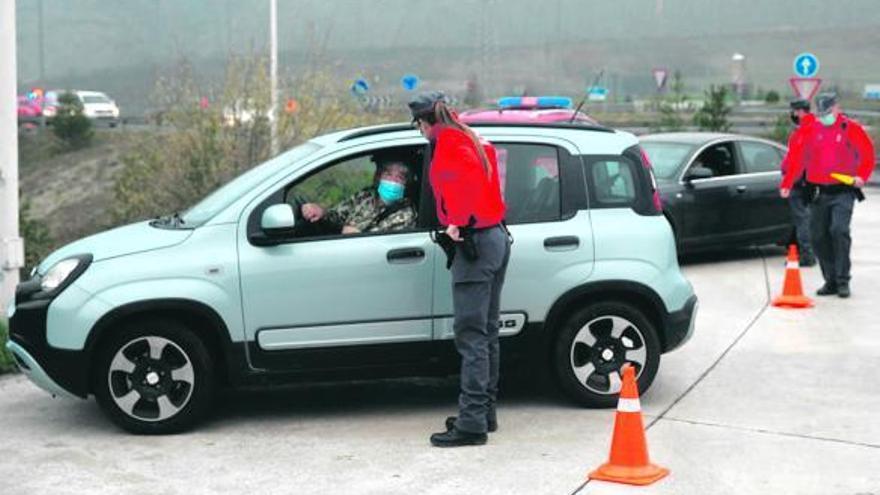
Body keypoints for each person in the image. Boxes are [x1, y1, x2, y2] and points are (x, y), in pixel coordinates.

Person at [409, 91, 510, 448]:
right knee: (487, 333)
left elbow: (464, 181)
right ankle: (484, 413)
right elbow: (488, 173)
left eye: (419, 126)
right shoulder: (470, 135)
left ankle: (471, 424)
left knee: (471, 337)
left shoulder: (450, 143)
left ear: (424, 122)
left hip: (476, 244)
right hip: (495, 237)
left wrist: (457, 223)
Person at [781, 93, 875, 298]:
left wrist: (862, 176)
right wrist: (788, 182)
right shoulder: (812, 130)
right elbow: (799, 157)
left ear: (836, 108)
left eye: (828, 112)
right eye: (821, 113)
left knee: (838, 230)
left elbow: (867, 154)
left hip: (843, 192)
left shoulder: (850, 128)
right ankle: (830, 280)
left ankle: (843, 280)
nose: (825, 117)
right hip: (818, 192)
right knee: (818, 236)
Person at [300, 161, 417, 234]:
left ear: (406, 184)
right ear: (379, 177)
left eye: (400, 177)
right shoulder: (365, 196)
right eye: (388, 174)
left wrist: (355, 235)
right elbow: (337, 215)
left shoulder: (406, 214)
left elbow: (378, 244)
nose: (393, 181)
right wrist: (321, 212)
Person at [779, 98, 817, 267]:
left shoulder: (806, 132)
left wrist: (787, 182)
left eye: (794, 111)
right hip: (806, 181)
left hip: (800, 182)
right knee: (802, 219)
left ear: (801, 111)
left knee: (802, 220)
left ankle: (807, 255)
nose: (792, 114)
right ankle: (800, 251)